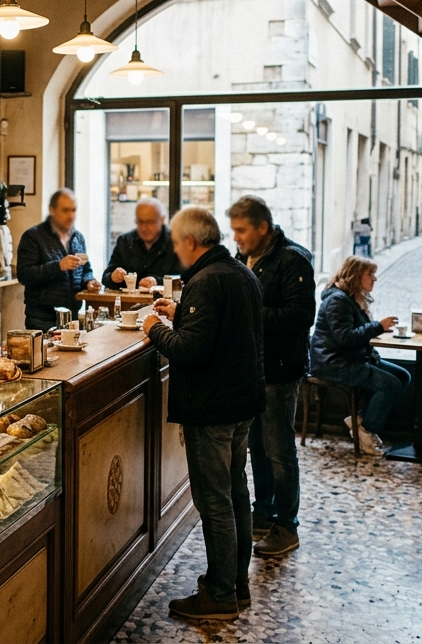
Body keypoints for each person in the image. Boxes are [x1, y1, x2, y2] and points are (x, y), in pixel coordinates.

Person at [143, 207, 264, 620]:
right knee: (236, 497)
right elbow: (224, 330)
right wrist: (180, 314)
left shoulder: (206, 281)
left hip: (212, 408)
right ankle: (238, 585)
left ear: (192, 242)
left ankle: (218, 594)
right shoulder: (240, 272)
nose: (175, 249)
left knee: (215, 502)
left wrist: (153, 327)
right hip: (242, 403)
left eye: (176, 242)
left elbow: (190, 351)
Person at [227, 196, 314, 558]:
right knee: (257, 447)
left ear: (263, 228)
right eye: (233, 231)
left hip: (280, 369)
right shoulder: (243, 257)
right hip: (253, 368)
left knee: (279, 450)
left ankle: (286, 526)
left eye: (242, 230)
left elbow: (299, 317)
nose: (237, 238)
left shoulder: (293, 259)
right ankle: (262, 514)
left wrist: (247, 311)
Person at [308, 255, 410, 451]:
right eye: (370, 274)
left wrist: (376, 328)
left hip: (350, 358)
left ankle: (359, 419)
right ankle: (366, 429)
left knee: (402, 376)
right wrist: (377, 326)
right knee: (390, 385)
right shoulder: (339, 301)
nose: (375, 278)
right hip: (334, 364)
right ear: (355, 276)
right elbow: (345, 338)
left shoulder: (351, 298)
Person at [16, 188, 99, 330]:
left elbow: (85, 269)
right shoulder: (33, 237)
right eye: (65, 210)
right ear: (52, 210)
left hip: (72, 318)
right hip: (42, 320)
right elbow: (24, 275)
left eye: (73, 210)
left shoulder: (78, 238)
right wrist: (58, 266)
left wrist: (89, 282)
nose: (71, 215)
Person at [100, 196, 182, 291]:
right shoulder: (125, 241)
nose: (144, 228)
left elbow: (184, 278)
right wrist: (113, 277)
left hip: (164, 303)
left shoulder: (175, 242)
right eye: (140, 222)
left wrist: (157, 281)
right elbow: (105, 278)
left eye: (150, 222)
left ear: (162, 220)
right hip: (128, 303)